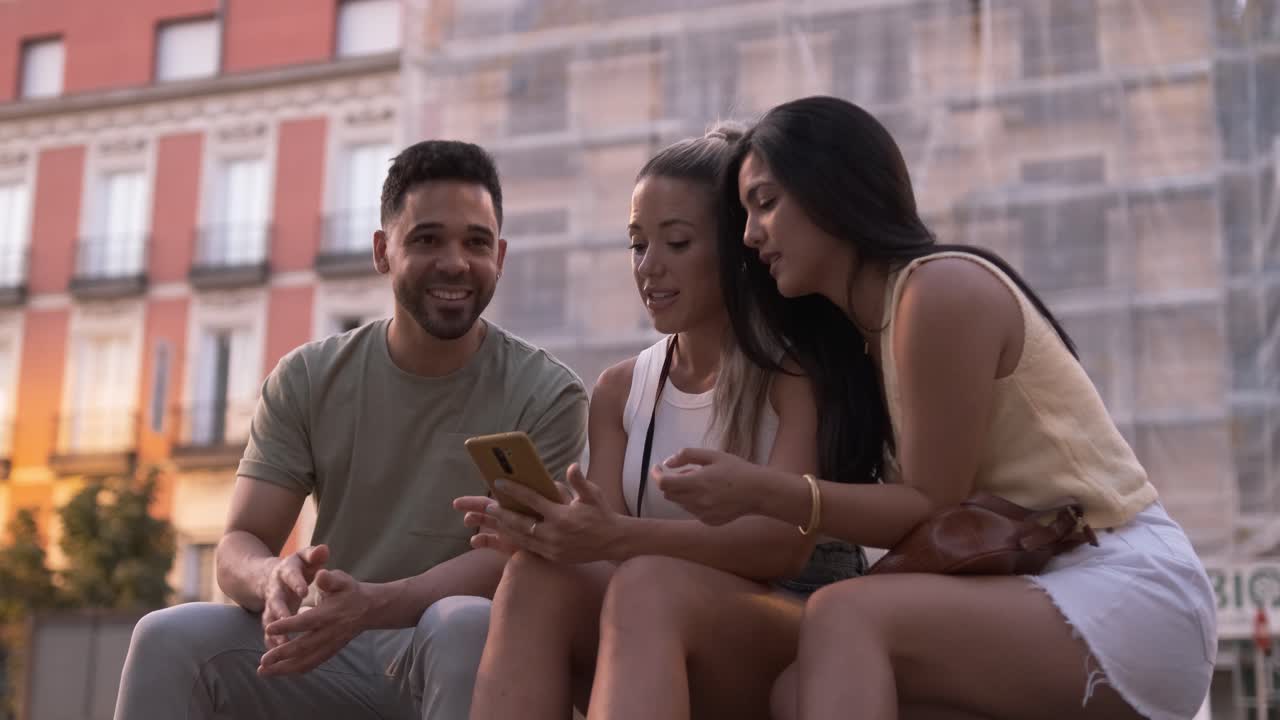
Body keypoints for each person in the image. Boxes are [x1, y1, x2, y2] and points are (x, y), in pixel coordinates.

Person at [620, 96, 1217, 720]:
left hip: (1118, 580)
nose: (749, 235)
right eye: (744, 213)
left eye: (766, 203)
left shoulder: (938, 292)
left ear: (834, 190)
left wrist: (763, 492)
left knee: (842, 614)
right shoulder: (857, 342)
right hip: (1018, 585)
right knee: (795, 694)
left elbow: (932, 504)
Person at [112, 140, 589, 720]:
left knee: (464, 620)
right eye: (427, 239)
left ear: (502, 256)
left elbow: (520, 559)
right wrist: (272, 579)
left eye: (476, 243)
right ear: (382, 251)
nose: (456, 262)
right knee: (167, 635)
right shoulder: (309, 377)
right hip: (330, 644)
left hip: (453, 648)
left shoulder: (548, 393)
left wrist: (375, 604)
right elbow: (240, 543)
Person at [455, 126, 864, 720]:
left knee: (649, 582)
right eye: (637, 244)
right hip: (657, 621)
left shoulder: (792, 372)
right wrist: (555, 535)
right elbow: (611, 542)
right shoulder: (621, 390)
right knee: (536, 577)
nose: (649, 267)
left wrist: (618, 539)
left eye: (676, 243)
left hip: (796, 623)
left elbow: (782, 547)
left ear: (739, 247)